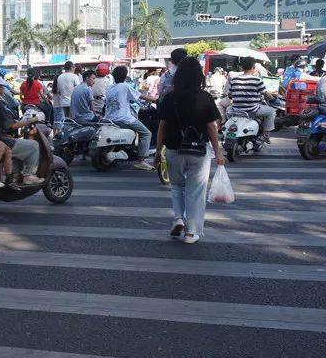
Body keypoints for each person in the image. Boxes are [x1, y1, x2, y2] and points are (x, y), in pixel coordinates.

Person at [154, 57, 225, 244]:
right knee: (196, 191)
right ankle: (191, 232)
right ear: (198, 75)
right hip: (198, 151)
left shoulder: (170, 96)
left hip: (173, 149)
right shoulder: (205, 97)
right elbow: (211, 127)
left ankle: (178, 218)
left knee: (176, 186)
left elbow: (162, 126)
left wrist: (157, 150)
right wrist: (218, 153)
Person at [0, 75, 44, 185]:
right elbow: (13, 126)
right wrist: (34, 119)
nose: (3, 89)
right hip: (1, 139)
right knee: (34, 145)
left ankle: (15, 174)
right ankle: (29, 175)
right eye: (2, 87)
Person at [104, 65, 155, 170]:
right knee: (146, 133)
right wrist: (156, 100)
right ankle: (141, 160)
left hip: (108, 118)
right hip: (123, 118)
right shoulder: (125, 86)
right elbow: (141, 97)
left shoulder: (109, 88)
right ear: (125, 76)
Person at [226, 56, 276, 142]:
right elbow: (265, 93)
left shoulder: (234, 79)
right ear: (253, 67)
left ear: (241, 67)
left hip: (236, 109)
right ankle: (265, 135)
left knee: (227, 109)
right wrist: (274, 100)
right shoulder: (257, 80)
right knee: (272, 111)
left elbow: (230, 95)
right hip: (253, 109)